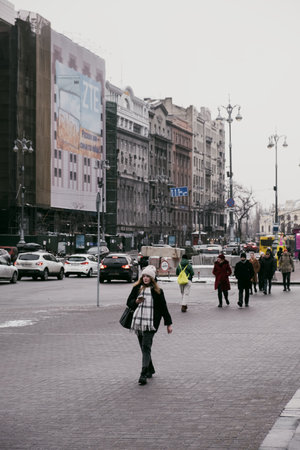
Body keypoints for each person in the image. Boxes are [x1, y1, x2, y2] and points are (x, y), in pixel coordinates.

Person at [126, 265, 172, 386]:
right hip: (139, 323)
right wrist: (136, 302)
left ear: (152, 278)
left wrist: (168, 324)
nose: (146, 278)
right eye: (144, 276)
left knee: (146, 346)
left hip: (151, 323)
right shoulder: (137, 288)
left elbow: (164, 308)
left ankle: (143, 374)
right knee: (143, 347)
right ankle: (150, 369)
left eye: (148, 276)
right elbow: (129, 303)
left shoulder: (158, 291)